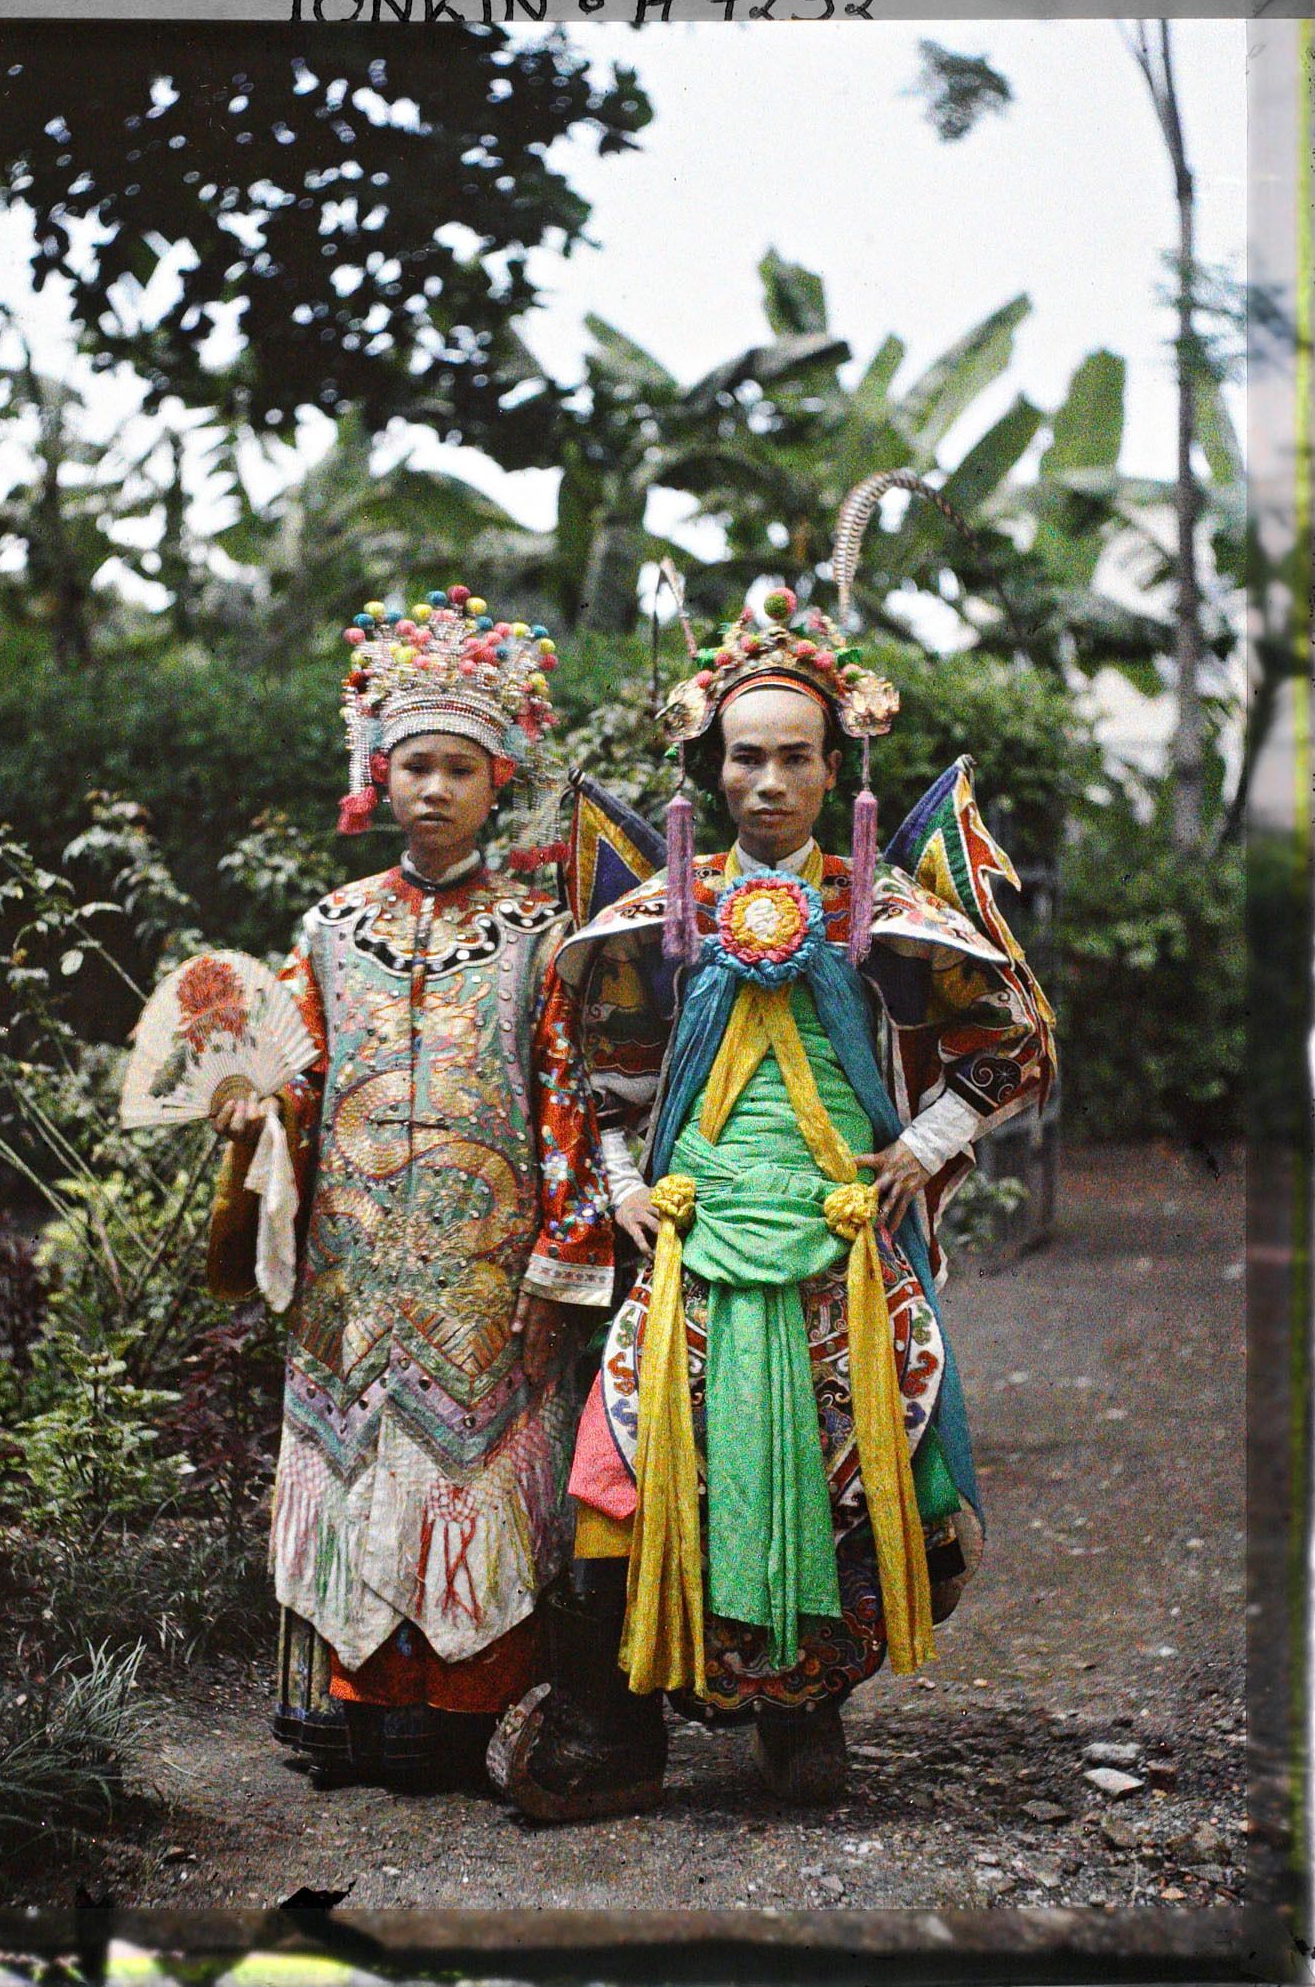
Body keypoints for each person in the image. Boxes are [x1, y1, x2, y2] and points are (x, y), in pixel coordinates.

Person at [493, 586, 1054, 1821]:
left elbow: (1001, 1040)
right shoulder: (655, 916)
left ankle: (804, 1718)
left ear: (836, 765)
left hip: (838, 1247)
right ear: (710, 764)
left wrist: (925, 1141)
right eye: (745, 755)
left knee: (850, 1471)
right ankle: (609, 1722)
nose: (768, 780)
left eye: (795, 755)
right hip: (692, 1240)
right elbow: (608, 1072)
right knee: (623, 1467)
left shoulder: (888, 909)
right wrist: (628, 1184)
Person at [208, 585, 614, 1790]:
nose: (432, 789)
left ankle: (463, 1713)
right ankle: (355, 1707)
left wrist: (562, 1258)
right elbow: (299, 1069)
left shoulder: (543, 935)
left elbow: (571, 1103)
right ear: (377, 778)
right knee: (353, 1470)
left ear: (499, 784)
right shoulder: (330, 926)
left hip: (490, 1275)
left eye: (458, 768)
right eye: (412, 765)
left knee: (473, 1475)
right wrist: (258, 1108)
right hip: (350, 1264)